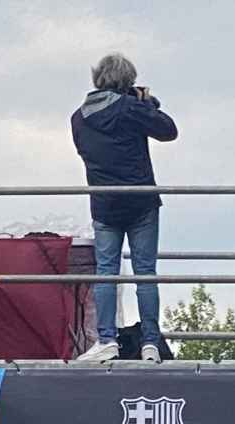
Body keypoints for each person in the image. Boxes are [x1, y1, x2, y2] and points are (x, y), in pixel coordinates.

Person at [71, 53, 178, 362]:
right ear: (127, 83)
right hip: (141, 202)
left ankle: (106, 340)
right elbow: (169, 131)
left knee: (106, 272)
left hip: (104, 204)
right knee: (145, 273)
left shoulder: (78, 118)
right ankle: (149, 343)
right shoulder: (131, 108)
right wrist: (147, 103)